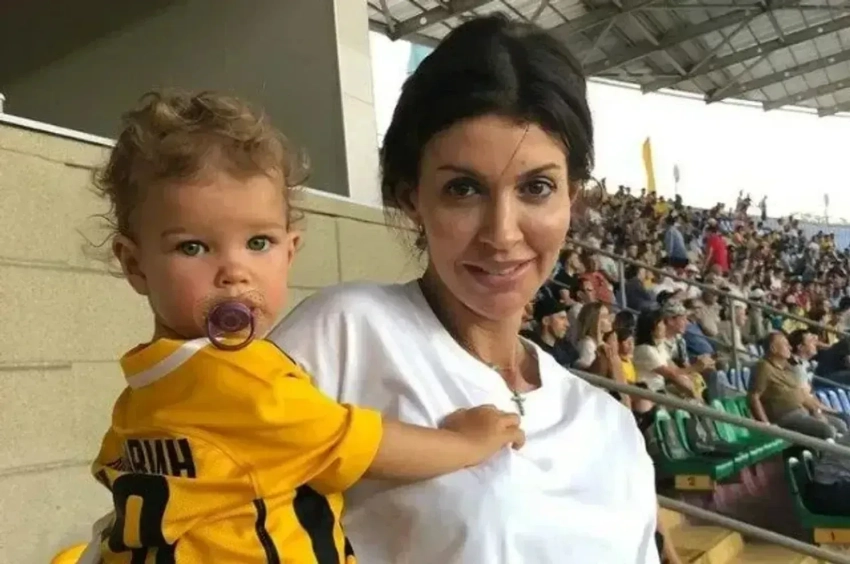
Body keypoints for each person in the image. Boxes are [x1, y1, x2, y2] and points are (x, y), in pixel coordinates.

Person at [270, 15, 659, 564]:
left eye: (537, 187)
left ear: (571, 198)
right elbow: (195, 503)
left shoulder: (607, 425)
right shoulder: (346, 336)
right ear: (412, 197)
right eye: (463, 189)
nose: (502, 234)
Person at [76, 91, 525, 564]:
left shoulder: (141, 396)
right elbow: (360, 444)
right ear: (135, 264)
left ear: (289, 251)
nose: (234, 272)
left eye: (258, 242)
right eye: (193, 247)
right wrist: (466, 442)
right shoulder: (240, 378)